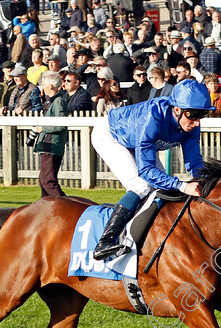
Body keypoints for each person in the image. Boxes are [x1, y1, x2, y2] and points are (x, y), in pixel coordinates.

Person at [90, 79, 214, 260]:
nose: (197, 122)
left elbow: (194, 163)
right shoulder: (153, 117)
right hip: (111, 135)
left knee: (160, 190)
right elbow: (146, 170)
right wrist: (182, 186)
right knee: (140, 185)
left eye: (201, 115)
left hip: (138, 140)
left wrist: (209, 181)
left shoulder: (191, 124)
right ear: (177, 109)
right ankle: (105, 241)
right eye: (193, 115)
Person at [32, 71, 68, 197]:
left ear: (51, 86)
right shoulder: (51, 101)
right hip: (47, 145)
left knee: (48, 181)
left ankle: (66, 207)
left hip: (52, 146)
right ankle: (46, 209)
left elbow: (61, 124)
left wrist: (43, 128)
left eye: (43, 84)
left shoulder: (58, 101)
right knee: (43, 181)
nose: (41, 86)